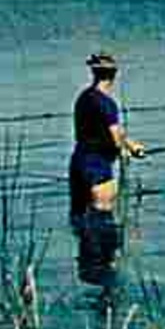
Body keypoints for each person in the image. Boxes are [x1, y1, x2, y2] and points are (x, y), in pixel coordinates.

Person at [69, 51, 145, 219]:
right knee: (102, 217)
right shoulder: (107, 103)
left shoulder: (84, 98)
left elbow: (109, 131)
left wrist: (132, 145)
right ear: (114, 74)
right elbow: (115, 137)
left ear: (93, 72)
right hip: (99, 165)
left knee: (79, 216)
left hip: (78, 163)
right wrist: (123, 152)